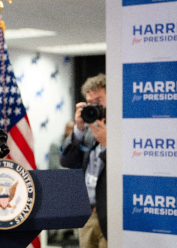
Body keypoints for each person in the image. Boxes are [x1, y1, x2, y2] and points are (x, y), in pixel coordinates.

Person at [60, 73, 107, 248]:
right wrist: (78, 129)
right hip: (87, 212)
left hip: (111, 213)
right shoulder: (86, 131)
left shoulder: (122, 128)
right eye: (90, 101)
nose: (94, 105)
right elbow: (66, 161)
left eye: (99, 100)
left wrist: (106, 142)